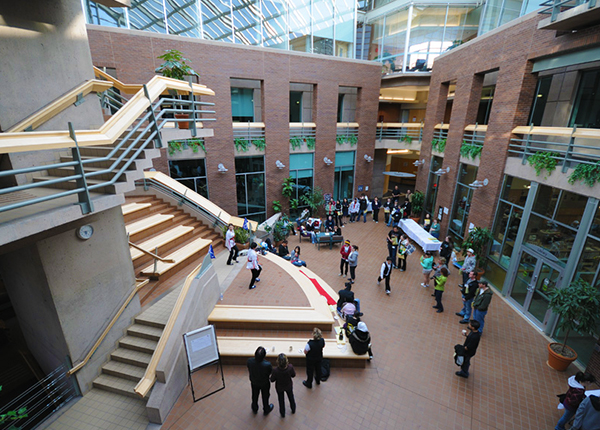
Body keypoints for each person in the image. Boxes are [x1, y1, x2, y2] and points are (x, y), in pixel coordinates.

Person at [247, 346, 274, 415]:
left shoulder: (249, 361)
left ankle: (254, 408)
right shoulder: (267, 365)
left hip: (254, 382)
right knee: (265, 396)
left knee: (254, 395)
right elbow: (270, 372)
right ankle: (266, 409)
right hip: (264, 383)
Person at [270, 353, 296, 418]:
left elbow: (272, 380)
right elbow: (293, 375)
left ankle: (282, 413)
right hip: (288, 386)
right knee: (291, 397)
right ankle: (293, 409)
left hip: (279, 387)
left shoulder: (275, 370)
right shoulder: (290, 367)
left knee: (281, 400)